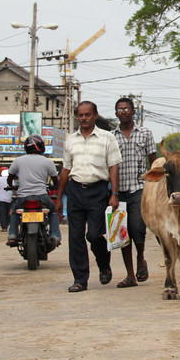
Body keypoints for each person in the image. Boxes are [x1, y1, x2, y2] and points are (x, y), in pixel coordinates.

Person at [57, 101, 122, 293]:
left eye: (87, 115)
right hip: (75, 190)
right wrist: (59, 198)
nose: (83, 118)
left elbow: (114, 166)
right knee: (75, 238)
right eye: (80, 115)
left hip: (98, 191)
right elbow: (65, 169)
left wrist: (114, 194)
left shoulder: (107, 138)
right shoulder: (71, 140)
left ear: (95, 116)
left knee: (94, 235)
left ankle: (104, 264)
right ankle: (80, 279)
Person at [111, 97, 157, 288]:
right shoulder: (111, 136)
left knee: (138, 229)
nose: (123, 112)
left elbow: (153, 160)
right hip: (118, 191)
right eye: (120, 110)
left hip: (139, 188)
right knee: (123, 234)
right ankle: (130, 275)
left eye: (127, 109)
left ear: (133, 112)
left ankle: (140, 258)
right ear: (116, 114)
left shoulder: (145, 133)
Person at [6, 134, 61, 246]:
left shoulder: (18, 160)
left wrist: (12, 186)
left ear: (26, 147)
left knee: (15, 213)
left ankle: (12, 235)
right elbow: (56, 180)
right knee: (53, 211)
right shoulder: (48, 162)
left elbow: (10, 177)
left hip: (23, 197)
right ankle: (55, 235)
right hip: (42, 196)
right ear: (41, 146)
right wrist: (56, 187)